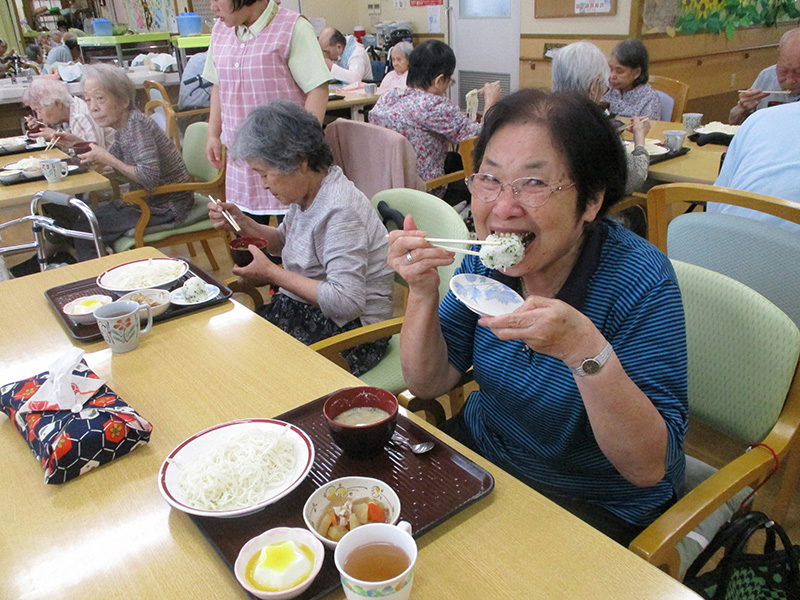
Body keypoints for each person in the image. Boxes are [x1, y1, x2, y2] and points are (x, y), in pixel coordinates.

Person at [387, 89, 688, 545]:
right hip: (485, 456)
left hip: (594, 502)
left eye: (534, 183)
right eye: (489, 179)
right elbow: (429, 383)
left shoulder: (640, 280)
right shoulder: (484, 261)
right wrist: (424, 293)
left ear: (590, 202)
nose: (503, 208)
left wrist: (583, 350)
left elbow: (646, 467)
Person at [208, 101, 394, 375]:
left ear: (299, 162)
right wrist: (243, 223)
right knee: (231, 349)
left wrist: (272, 274)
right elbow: (283, 242)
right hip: (308, 311)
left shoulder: (340, 210)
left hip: (353, 333)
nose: (264, 184)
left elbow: (347, 301)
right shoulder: (309, 193)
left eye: (265, 174)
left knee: (250, 370)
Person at [203, 0, 330, 224]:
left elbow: (317, 89)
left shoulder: (292, 27)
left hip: (285, 161)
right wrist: (213, 134)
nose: (212, 6)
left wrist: (302, 148)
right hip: (241, 161)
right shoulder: (220, 31)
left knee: (295, 244)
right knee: (246, 241)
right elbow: (218, 86)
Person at [73, 64, 193, 260]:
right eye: (88, 100)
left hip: (166, 205)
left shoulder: (137, 125)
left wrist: (107, 158)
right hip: (144, 201)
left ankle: (101, 276)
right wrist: (77, 144)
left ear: (123, 101)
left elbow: (149, 178)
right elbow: (113, 166)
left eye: (100, 99)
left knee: (85, 228)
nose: (93, 108)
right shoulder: (123, 126)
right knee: (82, 220)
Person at [369, 40, 501, 189]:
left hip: (389, 184)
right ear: (439, 81)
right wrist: (491, 102)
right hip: (426, 189)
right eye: (448, 81)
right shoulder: (434, 106)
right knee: (479, 172)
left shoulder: (388, 97)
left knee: (454, 159)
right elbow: (480, 137)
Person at [552, 40, 650, 196]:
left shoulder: (538, 117)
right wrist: (640, 139)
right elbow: (634, 178)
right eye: (603, 87)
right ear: (594, 87)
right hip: (586, 214)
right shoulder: (595, 128)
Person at [707, 101, 800, 234]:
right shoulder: (760, 118)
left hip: (723, 241)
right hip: (783, 248)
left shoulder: (760, 118)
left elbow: (715, 204)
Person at [729, 28, 800, 125]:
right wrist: (742, 108)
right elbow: (733, 123)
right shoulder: (767, 76)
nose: (790, 79)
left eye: (798, 72)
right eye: (784, 71)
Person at [21, 77, 111, 148]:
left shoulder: (80, 117)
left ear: (57, 104)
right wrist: (40, 128)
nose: (39, 117)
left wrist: (54, 135)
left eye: (39, 111)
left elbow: (93, 158)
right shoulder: (69, 109)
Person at [601, 39, 661, 120]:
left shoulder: (649, 99)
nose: (612, 76)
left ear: (636, 73)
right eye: (611, 69)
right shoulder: (605, 89)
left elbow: (648, 130)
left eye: (619, 71)